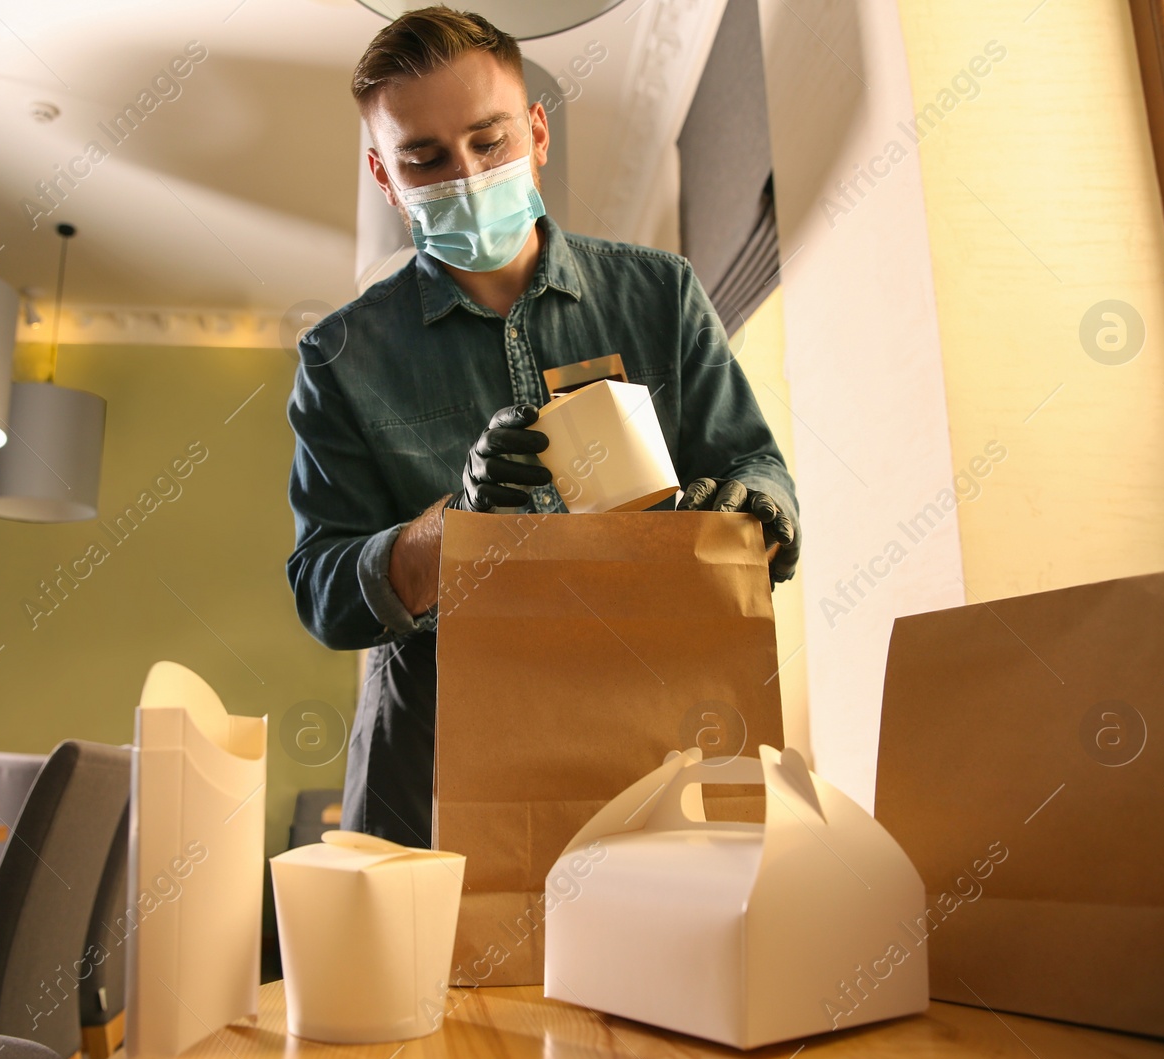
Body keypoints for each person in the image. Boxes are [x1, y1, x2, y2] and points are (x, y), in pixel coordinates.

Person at [286, 6, 800, 848]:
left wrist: (758, 504)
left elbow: (753, 462)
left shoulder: (662, 295)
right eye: (425, 158)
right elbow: (323, 590)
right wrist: (453, 529)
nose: (464, 174)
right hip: (434, 768)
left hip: (652, 737)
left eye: (489, 143)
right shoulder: (340, 356)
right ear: (386, 177)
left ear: (536, 133)